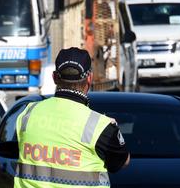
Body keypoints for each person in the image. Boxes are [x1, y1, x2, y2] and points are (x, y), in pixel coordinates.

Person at [14, 47, 129, 188]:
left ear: (55, 78)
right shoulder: (99, 126)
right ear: (89, 78)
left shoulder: (28, 113)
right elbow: (122, 162)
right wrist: (112, 131)